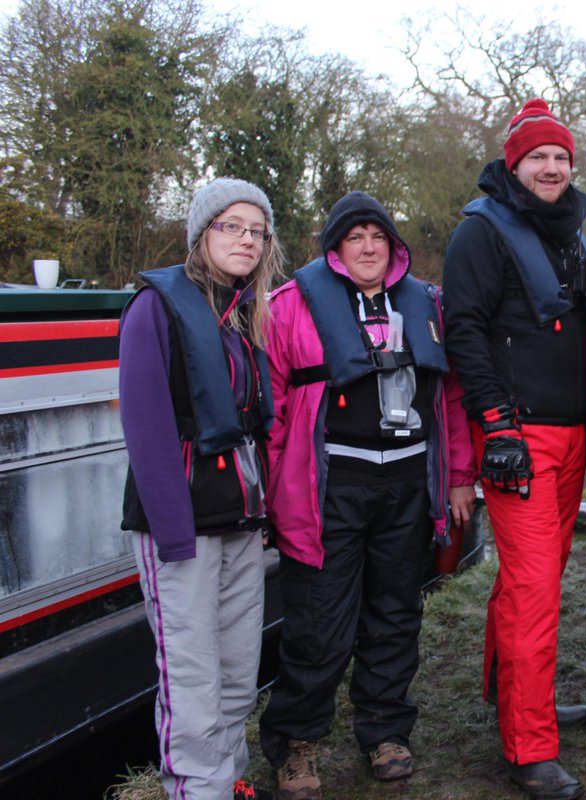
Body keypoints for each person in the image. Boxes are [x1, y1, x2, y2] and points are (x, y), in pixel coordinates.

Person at [258, 191, 475, 800]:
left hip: (407, 486)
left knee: (395, 615)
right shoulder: (290, 307)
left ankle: (384, 730)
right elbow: (273, 412)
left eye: (377, 236)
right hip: (330, 488)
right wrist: (273, 495)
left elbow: (451, 401)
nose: (368, 247)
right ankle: (295, 744)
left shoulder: (429, 304)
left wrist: (460, 475)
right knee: (319, 624)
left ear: (394, 246)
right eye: (354, 237)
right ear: (335, 248)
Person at [442, 98, 586, 800]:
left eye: (561, 157)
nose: (552, 167)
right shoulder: (482, 232)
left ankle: (511, 695)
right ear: (515, 162)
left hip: (569, 432)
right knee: (533, 591)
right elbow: (465, 331)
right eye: (539, 156)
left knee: (539, 577)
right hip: (519, 435)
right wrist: (496, 425)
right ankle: (529, 748)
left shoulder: (572, 233)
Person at [119, 177, 283, 800]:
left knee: (239, 668)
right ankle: (197, 789)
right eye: (230, 226)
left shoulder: (243, 312)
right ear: (201, 233)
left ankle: (228, 778)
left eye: (255, 230)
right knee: (191, 675)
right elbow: (147, 426)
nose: (245, 238)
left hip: (239, 519)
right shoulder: (155, 307)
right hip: (181, 525)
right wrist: (173, 534)